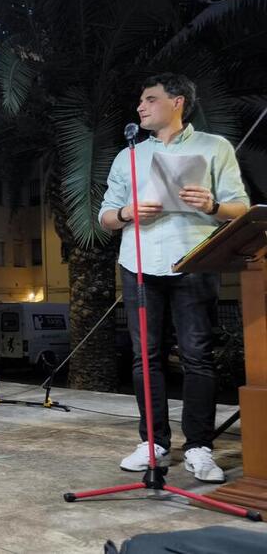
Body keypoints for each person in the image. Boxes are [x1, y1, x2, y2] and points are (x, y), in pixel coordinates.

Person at [98, 73, 249, 483]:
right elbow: (106, 215)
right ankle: (153, 443)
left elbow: (242, 208)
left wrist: (213, 204)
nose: (140, 107)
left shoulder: (213, 147)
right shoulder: (127, 156)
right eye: (140, 101)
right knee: (144, 357)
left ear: (177, 102)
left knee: (197, 355)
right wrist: (129, 213)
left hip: (194, 262)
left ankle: (199, 446)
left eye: (150, 99)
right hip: (139, 264)